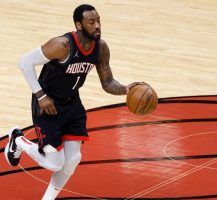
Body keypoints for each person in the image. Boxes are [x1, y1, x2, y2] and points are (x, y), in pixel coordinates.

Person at [4, 4, 141, 200]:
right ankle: (17, 139)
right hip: (48, 105)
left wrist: (126, 89)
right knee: (54, 163)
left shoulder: (100, 47)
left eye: (98, 20)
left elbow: (108, 82)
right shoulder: (62, 45)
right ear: (79, 25)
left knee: (73, 159)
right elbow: (24, 62)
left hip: (72, 105)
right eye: (91, 22)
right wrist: (41, 96)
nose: (97, 26)